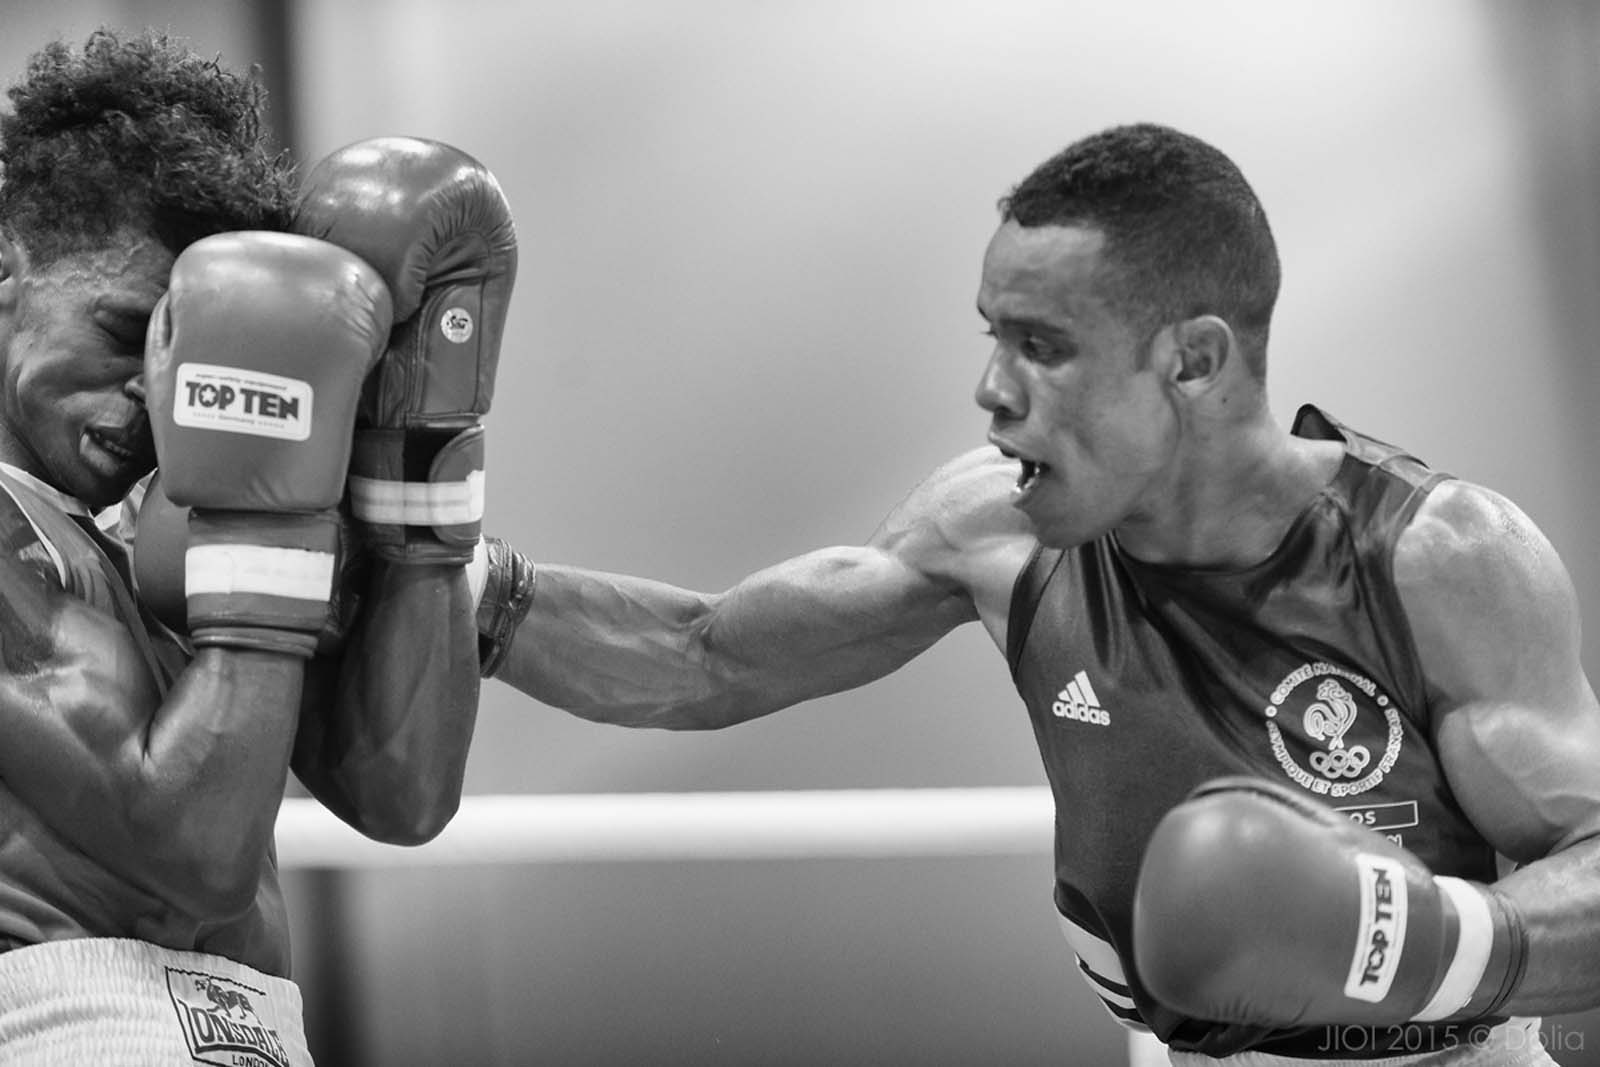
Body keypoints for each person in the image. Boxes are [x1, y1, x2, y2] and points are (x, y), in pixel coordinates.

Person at [470, 122, 1600, 1064]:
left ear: (1194, 362)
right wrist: (456, 575)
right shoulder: (993, 530)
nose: (990, 388)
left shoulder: (1432, 556)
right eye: (992, 336)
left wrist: (1416, 937)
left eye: (1041, 345)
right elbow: (703, 657)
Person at [0, 29, 502, 1063]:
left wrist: (407, 459)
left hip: (251, 1029)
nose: (150, 394)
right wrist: (274, 516)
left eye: (178, 358)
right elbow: (193, 851)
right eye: (118, 326)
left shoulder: (162, 535)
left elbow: (398, 791)